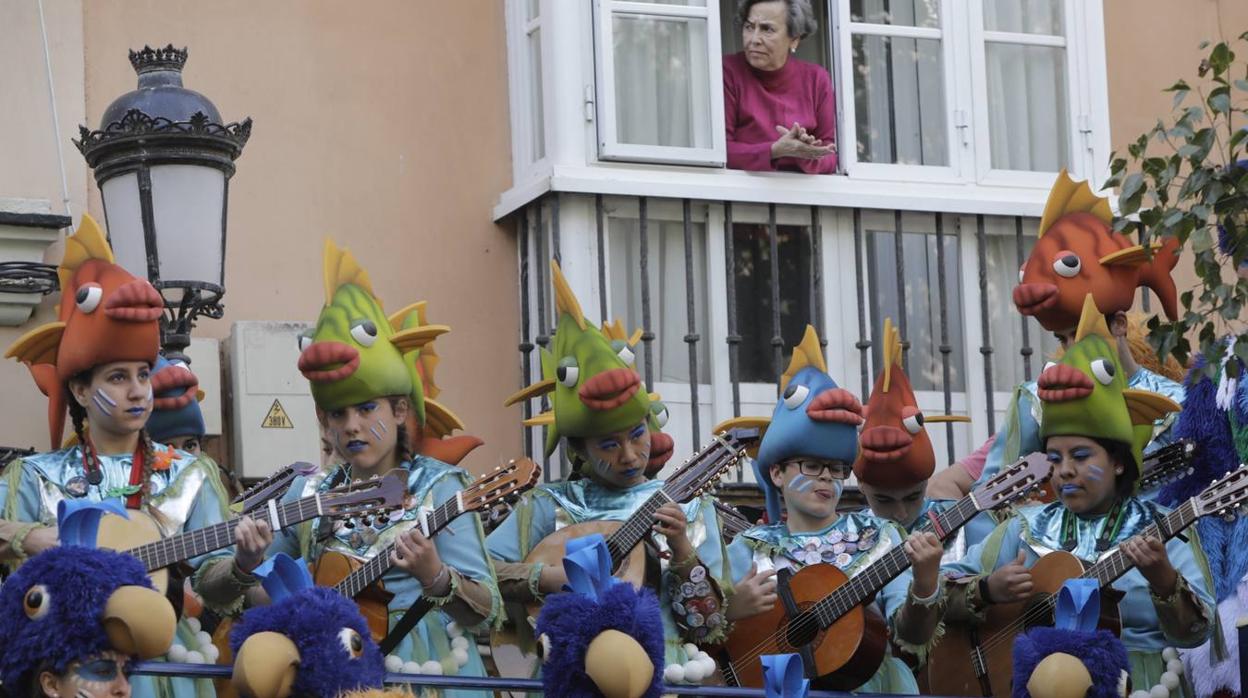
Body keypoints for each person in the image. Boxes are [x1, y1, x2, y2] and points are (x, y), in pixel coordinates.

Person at [0, 215, 270, 698]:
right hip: (67, 670)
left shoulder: (191, 475)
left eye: (143, 374)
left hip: (168, 668)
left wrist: (242, 566)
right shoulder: (35, 476)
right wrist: (34, 538)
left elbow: (213, 589)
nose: (137, 392)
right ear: (81, 390)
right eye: (118, 378)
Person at [260, 239, 499, 697]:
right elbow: (256, 593)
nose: (352, 426)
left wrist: (435, 575)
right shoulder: (307, 494)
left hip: (427, 673)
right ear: (322, 422)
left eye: (367, 408)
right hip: (332, 674)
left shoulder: (441, 486)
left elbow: (487, 609)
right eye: (338, 415)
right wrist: (252, 564)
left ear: (398, 410)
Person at [941, 297, 1213, 695]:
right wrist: (986, 590)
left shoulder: (1162, 531)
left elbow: (1199, 632)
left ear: (1119, 461)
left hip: (1142, 683)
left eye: (1081, 456)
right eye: (1055, 457)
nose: (1064, 469)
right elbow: (936, 599)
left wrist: (1164, 580)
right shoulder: (1026, 527)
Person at [487, 261, 731, 684]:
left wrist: (681, 549)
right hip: (571, 676)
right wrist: (552, 578)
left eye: (638, 435)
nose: (630, 454)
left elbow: (709, 627)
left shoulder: (689, 508)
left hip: (666, 674)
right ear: (579, 448)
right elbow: (481, 572)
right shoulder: (549, 505)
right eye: (608, 444)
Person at [928, 172, 1186, 532]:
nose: (1071, 351)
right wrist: (1003, 575)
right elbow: (989, 502)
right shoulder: (1037, 400)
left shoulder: (1177, 401)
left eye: (1084, 336)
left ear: (1120, 325)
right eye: (1064, 339)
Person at [718, 326, 945, 693]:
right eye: (811, 465)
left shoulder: (881, 538)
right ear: (776, 472)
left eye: (837, 468)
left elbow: (910, 639)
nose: (827, 478)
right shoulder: (748, 546)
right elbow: (700, 630)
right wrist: (731, 610)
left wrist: (925, 581)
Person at [855, 319, 970, 552]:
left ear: (927, 482)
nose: (901, 514)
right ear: (860, 485)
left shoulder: (963, 521)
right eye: (883, 500)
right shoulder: (843, 536)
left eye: (913, 497)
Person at [723, 0, 837, 174]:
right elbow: (720, 150)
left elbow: (830, 154)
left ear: (794, 39)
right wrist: (774, 151)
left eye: (767, 29)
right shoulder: (728, 71)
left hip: (802, 195)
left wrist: (805, 154)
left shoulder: (816, 79)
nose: (754, 39)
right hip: (741, 193)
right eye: (749, 27)